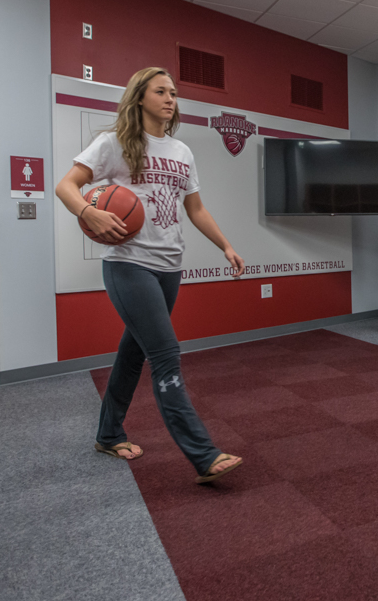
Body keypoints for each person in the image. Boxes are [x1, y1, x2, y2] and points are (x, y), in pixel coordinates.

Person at [55, 67, 244, 485]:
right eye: (161, 91)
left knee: (133, 352)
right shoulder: (113, 144)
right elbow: (66, 186)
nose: (170, 98)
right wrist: (88, 211)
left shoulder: (181, 151)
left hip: (169, 266)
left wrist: (225, 245)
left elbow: (195, 209)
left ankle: (108, 434)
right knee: (165, 354)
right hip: (128, 263)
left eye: (174, 93)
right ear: (140, 97)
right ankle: (203, 453)